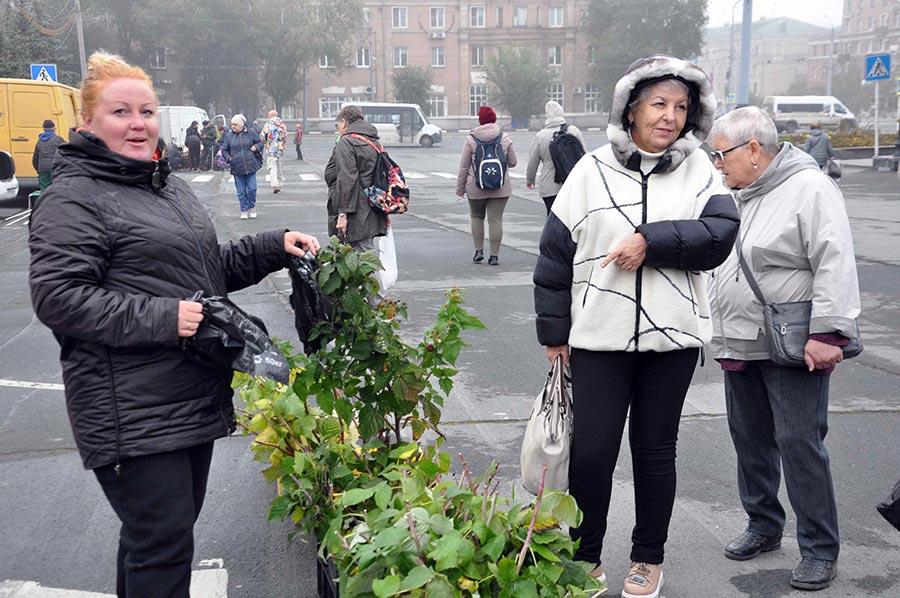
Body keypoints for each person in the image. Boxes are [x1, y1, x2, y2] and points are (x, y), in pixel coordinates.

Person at [27, 52, 320, 598]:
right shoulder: (74, 197)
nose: (138, 124)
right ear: (86, 123)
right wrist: (165, 318)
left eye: (147, 110)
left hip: (184, 396)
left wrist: (271, 245)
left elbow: (206, 271)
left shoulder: (166, 186)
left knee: (156, 542)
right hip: (128, 405)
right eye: (121, 112)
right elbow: (58, 298)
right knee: (162, 547)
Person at [533, 55, 739, 598]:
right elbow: (554, 258)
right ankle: (585, 556)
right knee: (593, 452)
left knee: (654, 452)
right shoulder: (591, 169)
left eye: (681, 107)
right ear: (631, 111)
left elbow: (719, 235)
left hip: (671, 339)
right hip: (598, 337)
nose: (670, 116)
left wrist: (651, 240)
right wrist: (554, 333)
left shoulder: (700, 171)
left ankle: (648, 557)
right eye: (658, 104)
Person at [707, 106, 861, 592]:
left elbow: (834, 257)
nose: (717, 164)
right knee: (749, 438)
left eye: (722, 154)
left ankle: (819, 548)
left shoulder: (809, 187)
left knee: (799, 445)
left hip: (794, 341)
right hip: (742, 336)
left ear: (754, 149)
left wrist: (827, 333)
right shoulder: (740, 193)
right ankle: (763, 525)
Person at [455, 106, 517, 266]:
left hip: (476, 187)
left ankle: (478, 251)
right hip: (500, 187)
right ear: (494, 120)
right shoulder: (505, 138)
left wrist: (460, 188)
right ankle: (494, 256)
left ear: (480, 120)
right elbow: (513, 162)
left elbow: (464, 166)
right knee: (495, 219)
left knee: (477, 217)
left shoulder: (471, 139)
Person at [324, 105, 387, 252]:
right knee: (365, 255)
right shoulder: (373, 141)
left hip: (355, 212)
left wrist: (342, 213)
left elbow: (347, 179)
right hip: (371, 207)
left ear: (344, 122)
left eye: (337, 124)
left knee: (360, 261)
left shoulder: (346, 142)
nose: (337, 127)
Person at [526, 101, 586, 214]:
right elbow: (585, 155)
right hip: (572, 184)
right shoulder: (573, 131)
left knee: (552, 219)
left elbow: (532, 162)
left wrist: (530, 179)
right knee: (571, 218)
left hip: (549, 186)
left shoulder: (540, 136)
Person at [222, 113, 263, 219]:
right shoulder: (229, 136)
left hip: (250, 165)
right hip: (237, 167)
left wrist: (256, 147)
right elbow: (224, 150)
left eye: (235, 124)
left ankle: (252, 207)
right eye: (232, 124)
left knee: (252, 189)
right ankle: (243, 210)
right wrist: (229, 159)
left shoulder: (251, 133)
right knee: (241, 191)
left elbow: (260, 143)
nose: (233, 127)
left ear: (241, 125)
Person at [32, 119, 65, 191]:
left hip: (43, 168)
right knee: (58, 189)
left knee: (44, 190)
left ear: (44, 129)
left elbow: (35, 159)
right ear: (54, 129)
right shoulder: (59, 139)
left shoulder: (39, 142)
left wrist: (39, 169)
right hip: (56, 168)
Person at [261, 110, 287, 193]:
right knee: (279, 167)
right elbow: (285, 136)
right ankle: (280, 184)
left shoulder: (268, 124)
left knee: (272, 167)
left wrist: (265, 142)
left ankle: (274, 185)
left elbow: (262, 136)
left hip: (271, 150)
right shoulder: (282, 124)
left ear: (270, 116)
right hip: (280, 149)